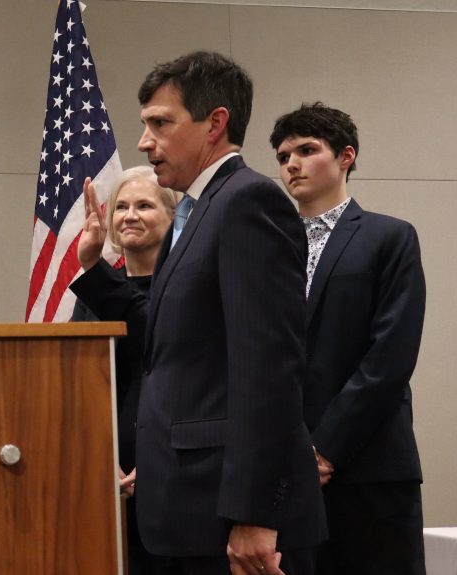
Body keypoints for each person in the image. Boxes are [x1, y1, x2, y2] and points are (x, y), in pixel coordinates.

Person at [70, 51, 325, 575]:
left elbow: (268, 368)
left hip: (232, 519)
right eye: (145, 125)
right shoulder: (192, 212)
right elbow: (163, 340)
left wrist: (255, 513)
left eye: (160, 124)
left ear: (215, 124)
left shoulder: (248, 202)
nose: (145, 142)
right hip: (186, 511)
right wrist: (95, 270)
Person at [270, 102, 426, 575]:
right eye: (282, 156)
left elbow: (390, 356)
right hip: (282, 472)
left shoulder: (389, 237)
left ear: (346, 156)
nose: (291, 164)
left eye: (306, 149)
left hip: (369, 465)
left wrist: (326, 448)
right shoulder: (266, 246)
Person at [70, 166, 178, 574]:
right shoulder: (97, 288)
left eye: (144, 205)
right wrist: (100, 456)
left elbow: (159, 343)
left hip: (169, 472)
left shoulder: (184, 287)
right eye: (121, 207)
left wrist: (147, 464)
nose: (129, 215)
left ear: (173, 218)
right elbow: (78, 378)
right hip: (103, 472)